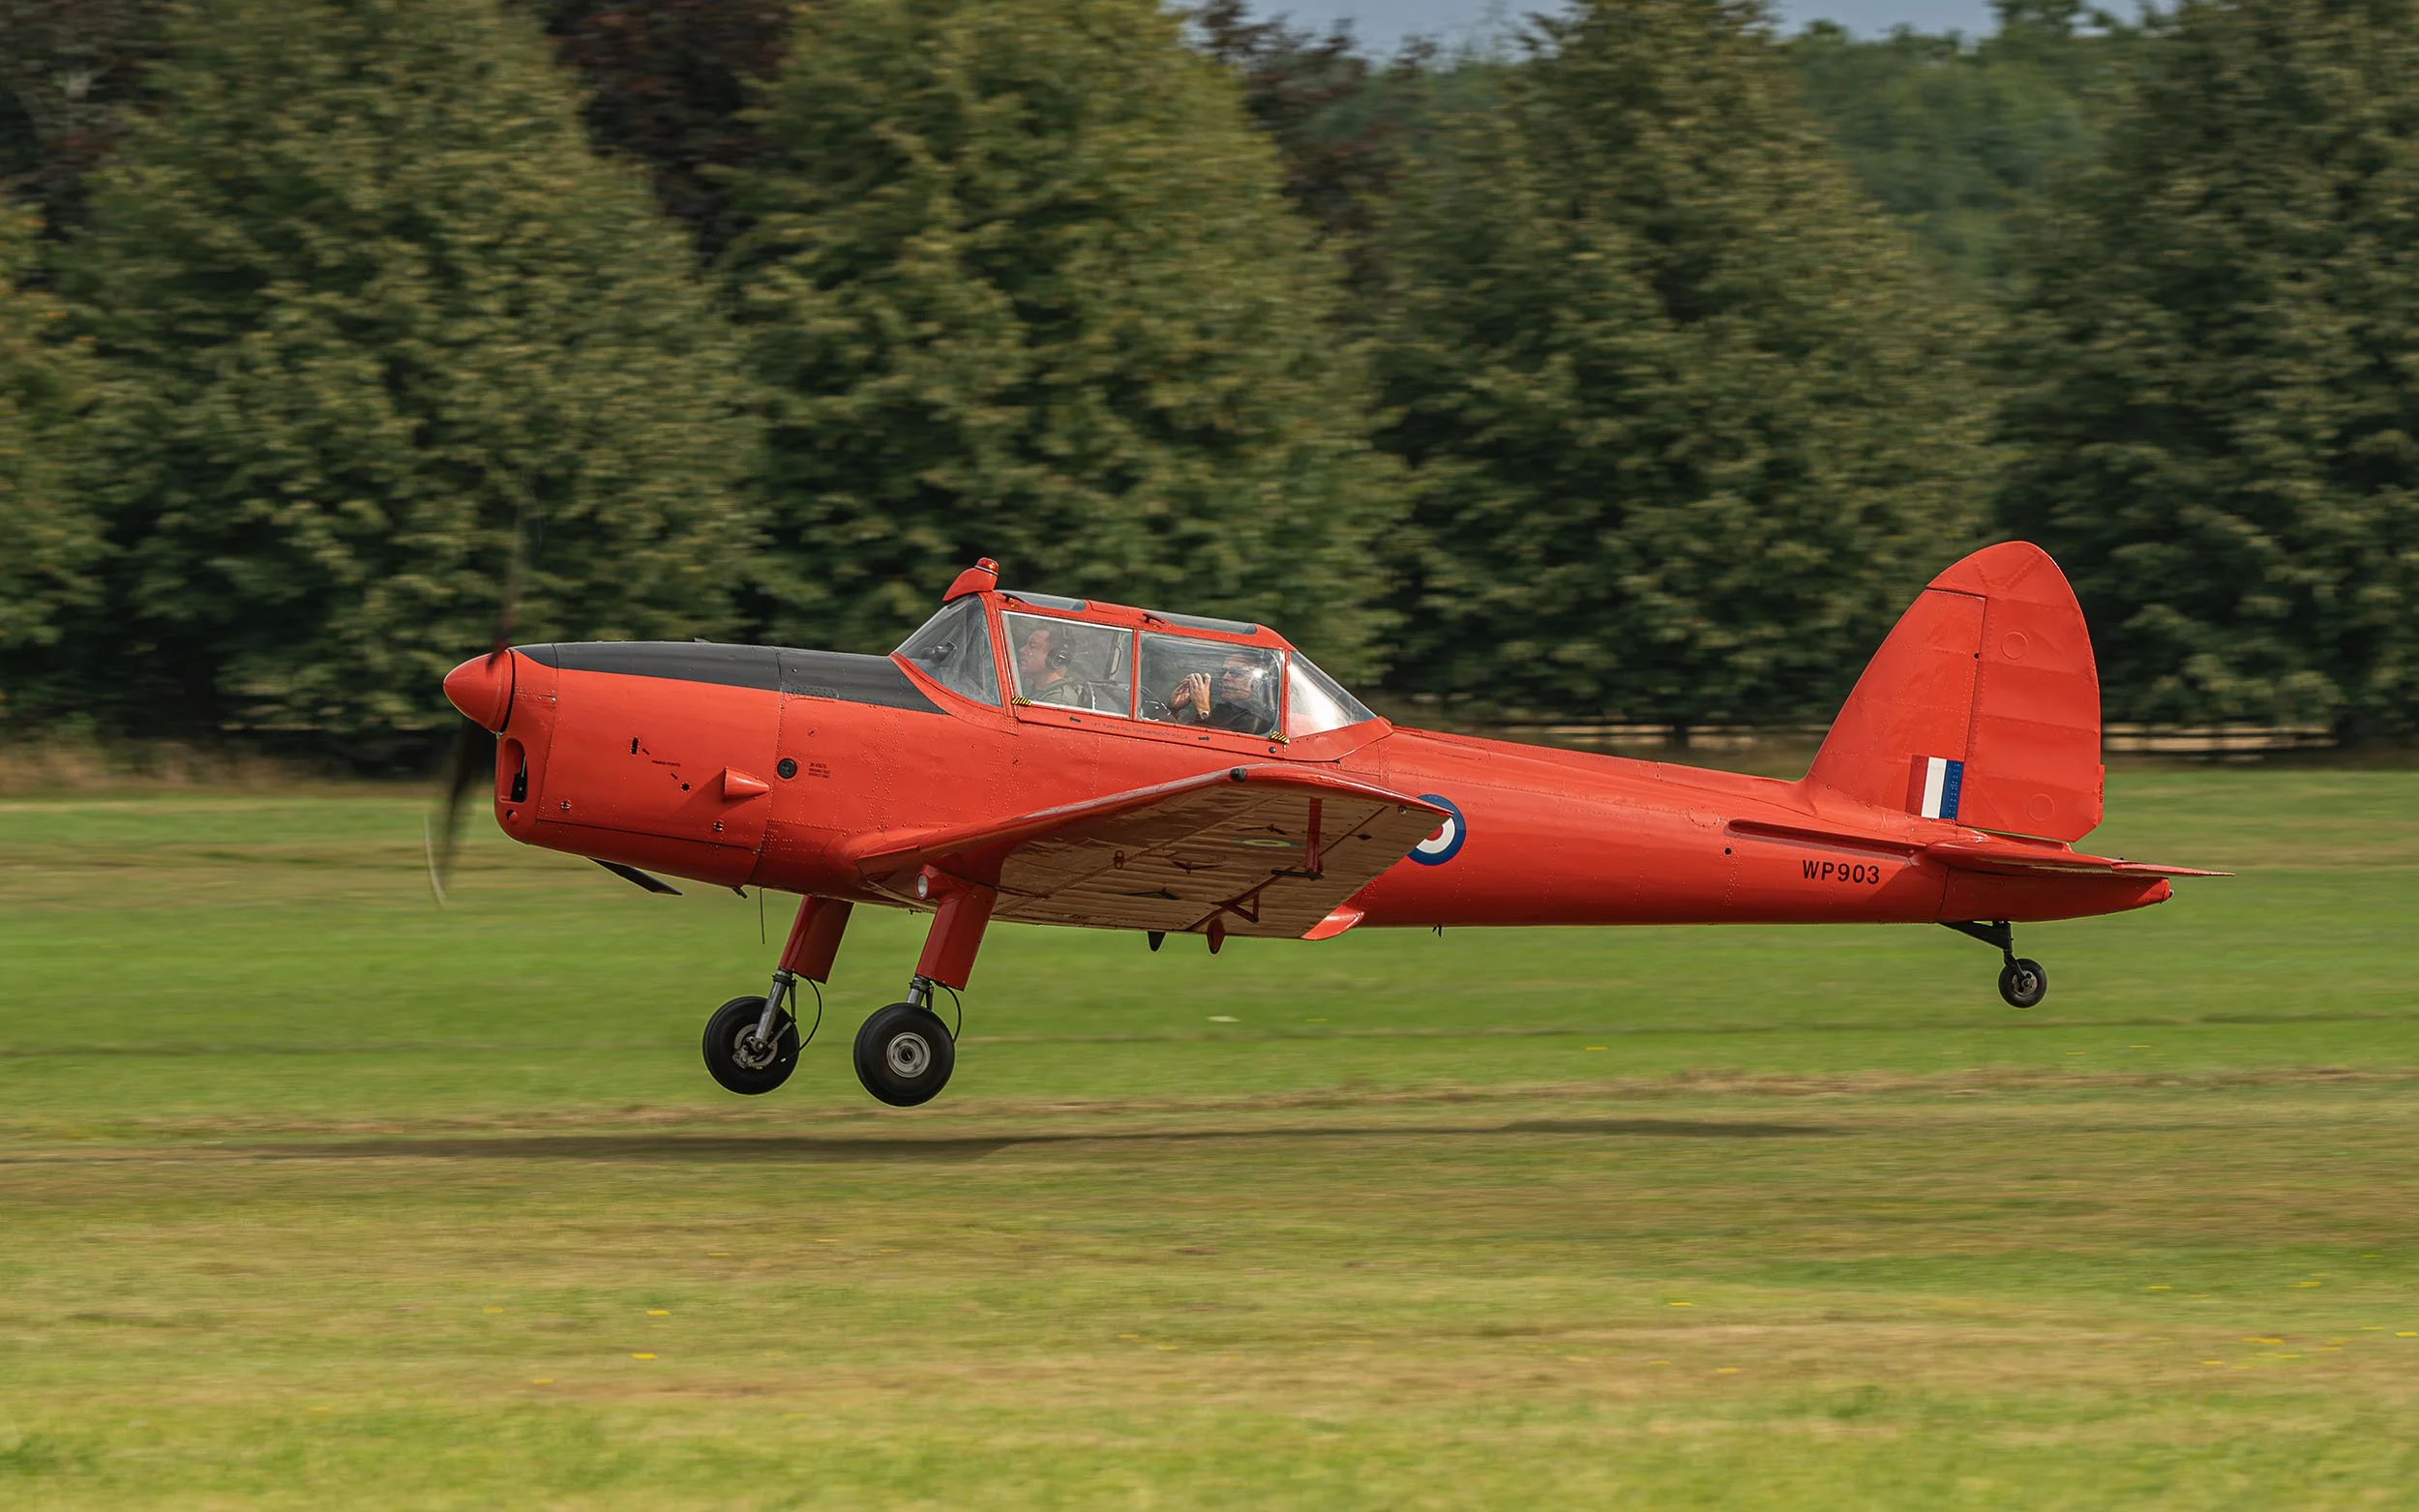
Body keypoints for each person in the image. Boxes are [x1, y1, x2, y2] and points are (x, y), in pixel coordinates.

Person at [1171, 652, 1275, 734]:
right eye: (1223, 672)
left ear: (1256, 682)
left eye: (1235, 673)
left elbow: (1217, 743)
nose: (1225, 677)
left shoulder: (1255, 718)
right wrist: (1174, 709)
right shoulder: (1226, 710)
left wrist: (1203, 709)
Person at [1017, 622, 1088, 707]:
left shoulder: (1058, 701)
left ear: (1056, 658)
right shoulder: (1037, 690)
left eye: (1032, 646)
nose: (1022, 650)